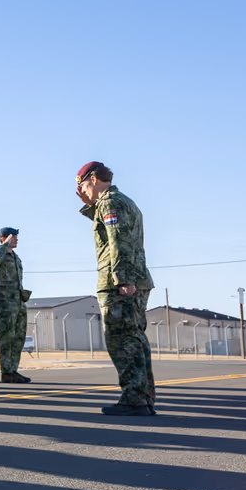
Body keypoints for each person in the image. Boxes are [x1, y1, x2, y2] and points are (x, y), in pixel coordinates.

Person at [76, 161, 156, 415]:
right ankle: (143, 397)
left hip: (118, 281)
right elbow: (112, 229)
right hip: (134, 278)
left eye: (82, 185)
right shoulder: (120, 201)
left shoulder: (111, 203)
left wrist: (122, 279)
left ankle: (134, 398)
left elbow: (117, 241)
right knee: (135, 338)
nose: (83, 191)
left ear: (93, 179)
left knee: (121, 340)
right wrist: (92, 208)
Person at [0, 226, 32, 383]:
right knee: (7, 337)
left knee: (18, 338)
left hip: (18, 301)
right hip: (5, 302)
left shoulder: (16, 257)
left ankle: (13, 369)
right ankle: (6, 372)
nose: (16, 239)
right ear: (4, 238)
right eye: (13, 236)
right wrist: (4, 244)